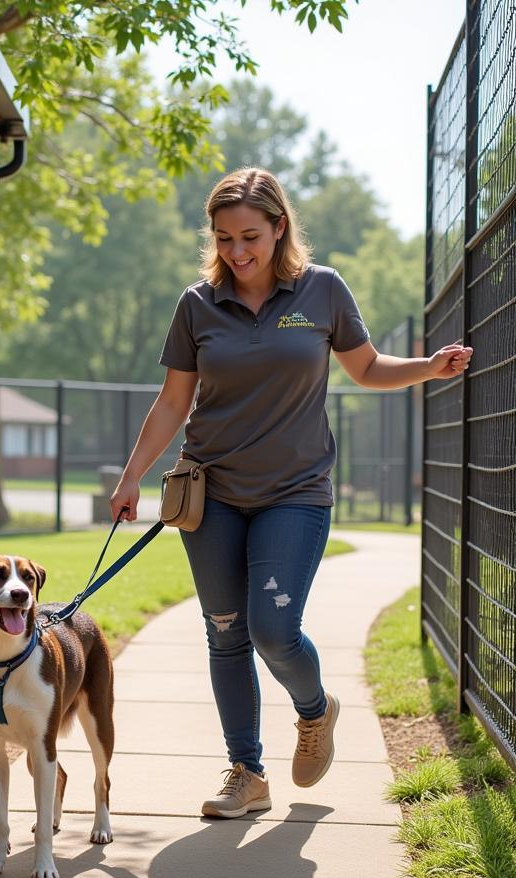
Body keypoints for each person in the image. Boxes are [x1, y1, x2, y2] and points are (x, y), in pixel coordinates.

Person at [110, 167, 472, 819]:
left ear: (280, 227)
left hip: (294, 494)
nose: (237, 251)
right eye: (223, 238)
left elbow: (365, 368)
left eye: (250, 235)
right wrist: (133, 474)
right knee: (225, 633)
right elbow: (172, 402)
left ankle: (315, 711)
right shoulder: (197, 305)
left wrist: (427, 366)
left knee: (275, 630)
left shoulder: (322, 291)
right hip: (211, 493)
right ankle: (246, 773)